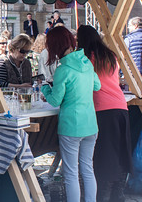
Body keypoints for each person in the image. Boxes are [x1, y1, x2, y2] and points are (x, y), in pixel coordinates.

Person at [40, 26, 101, 202]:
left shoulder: (63, 70)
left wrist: (45, 87)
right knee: (88, 169)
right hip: (90, 124)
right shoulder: (87, 62)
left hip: (71, 126)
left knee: (71, 173)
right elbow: (97, 86)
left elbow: (55, 101)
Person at [77, 25, 133, 202]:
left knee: (103, 156)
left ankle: (104, 196)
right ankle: (118, 194)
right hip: (121, 107)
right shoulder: (111, 56)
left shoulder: (86, 59)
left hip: (101, 109)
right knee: (120, 152)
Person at [124, 16, 142, 154]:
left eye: (129, 26)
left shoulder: (128, 39)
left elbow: (122, 60)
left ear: (135, 26)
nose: (128, 29)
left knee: (134, 124)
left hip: (133, 85)